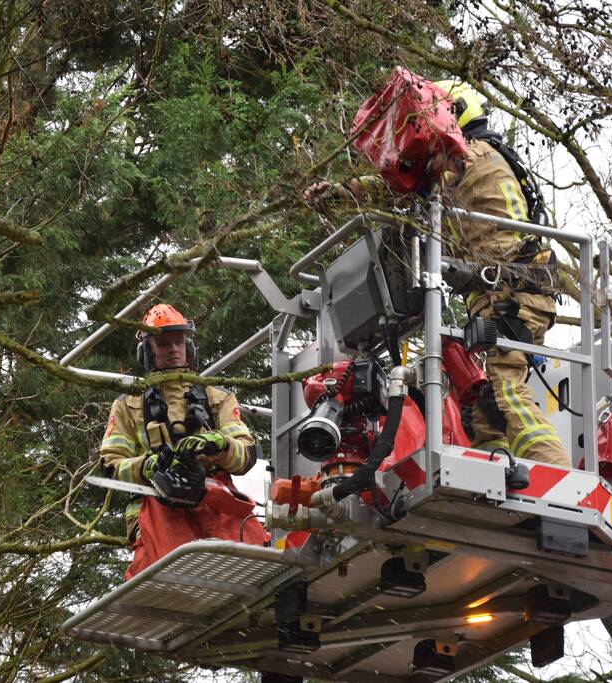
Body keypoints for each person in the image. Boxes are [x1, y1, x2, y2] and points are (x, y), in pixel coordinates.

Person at [304, 79, 570, 468]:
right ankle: (502, 481)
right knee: (485, 410)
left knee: (507, 391)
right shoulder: (486, 156)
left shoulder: (468, 159)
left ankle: (558, 480)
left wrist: (344, 194)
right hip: (504, 293)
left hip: (513, 295)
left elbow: (403, 186)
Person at [100, 304, 267, 575]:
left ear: (188, 346)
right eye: (164, 343)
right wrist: (149, 466)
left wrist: (219, 445)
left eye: (178, 341)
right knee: (159, 575)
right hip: (155, 504)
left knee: (250, 560)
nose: (174, 349)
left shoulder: (217, 396)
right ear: (148, 351)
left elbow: (246, 456)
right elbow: (110, 466)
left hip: (213, 499)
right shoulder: (127, 405)